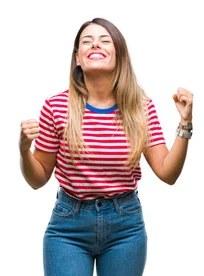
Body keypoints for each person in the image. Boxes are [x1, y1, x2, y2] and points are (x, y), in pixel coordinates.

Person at [18, 18, 194, 276]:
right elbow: (37, 179)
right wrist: (24, 149)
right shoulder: (56, 107)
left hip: (126, 227)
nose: (95, 45)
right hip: (68, 227)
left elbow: (168, 173)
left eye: (104, 40)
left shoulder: (141, 108)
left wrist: (185, 123)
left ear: (119, 54)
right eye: (86, 42)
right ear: (78, 58)